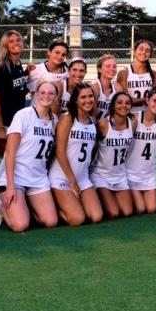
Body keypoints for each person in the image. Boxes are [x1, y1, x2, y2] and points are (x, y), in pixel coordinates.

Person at [0, 81, 60, 232]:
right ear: (35, 94)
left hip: (38, 178)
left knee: (50, 221)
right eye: (42, 92)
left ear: (56, 97)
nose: (46, 96)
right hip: (16, 177)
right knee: (20, 225)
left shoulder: (54, 120)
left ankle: (25, 204)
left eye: (50, 93)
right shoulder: (24, 115)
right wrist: (10, 186)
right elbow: (9, 152)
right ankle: (0, 204)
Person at [49, 82, 103, 226]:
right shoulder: (68, 119)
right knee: (77, 219)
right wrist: (72, 181)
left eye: (90, 96)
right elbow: (60, 151)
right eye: (83, 97)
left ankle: (71, 204)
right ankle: (53, 208)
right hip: (62, 177)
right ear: (75, 100)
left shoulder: (92, 122)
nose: (88, 100)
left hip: (82, 178)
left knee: (96, 216)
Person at [90, 91, 136, 218]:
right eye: (119, 102)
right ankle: (95, 197)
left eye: (127, 103)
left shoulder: (132, 123)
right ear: (113, 105)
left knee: (127, 212)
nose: (124, 106)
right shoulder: (103, 124)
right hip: (101, 176)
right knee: (114, 213)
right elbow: (92, 148)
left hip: (120, 175)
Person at [126, 88, 156, 214]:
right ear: (147, 100)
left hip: (149, 176)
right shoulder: (134, 119)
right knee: (141, 209)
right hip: (130, 174)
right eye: (154, 101)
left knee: (152, 209)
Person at [0, 30, 29, 155]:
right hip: (1, 120)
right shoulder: (1, 67)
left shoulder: (18, 65)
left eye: (18, 40)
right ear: (5, 45)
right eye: (11, 41)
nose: (16, 43)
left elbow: (17, 90)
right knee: (10, 160)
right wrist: (0, 127)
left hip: (14, 119)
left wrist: (28, 73)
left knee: (14, 162)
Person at [117, 39, 155, 106]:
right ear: (134, 51)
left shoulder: (154, 74)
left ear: (151, 54)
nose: (144, 52)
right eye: (141, 49)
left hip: (149, 114)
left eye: (147, 51)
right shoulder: (124, 73)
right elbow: (125, 100)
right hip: (130, 114)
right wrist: (146, 99)